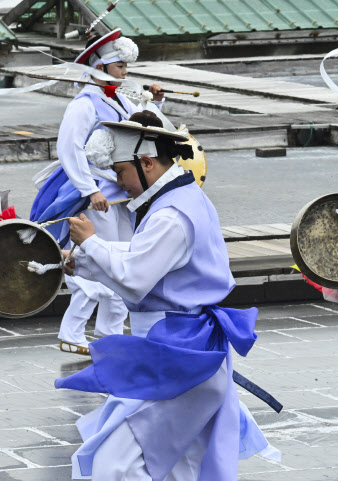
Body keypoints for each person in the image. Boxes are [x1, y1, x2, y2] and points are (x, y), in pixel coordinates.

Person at [54, 111, 279, 480]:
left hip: (175, 354)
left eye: (120, 171)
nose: (118, 182)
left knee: (113, 464)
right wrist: (79, 262)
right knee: (179, 469)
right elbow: (144, 264)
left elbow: (136, 277)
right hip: (181, 352)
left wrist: (90, 244)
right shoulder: (179, 200)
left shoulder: (172, 213)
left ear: (146, 163)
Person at [29, 29, 167, 355]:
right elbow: (70, 149)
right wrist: (89, 190)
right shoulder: (84, 103)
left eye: (125, 66)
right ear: (101, 67)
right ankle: (77, 331)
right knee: (98, 259)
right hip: (98, 194)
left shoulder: (118, 97)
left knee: (123, 259)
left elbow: (144, 127)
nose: (125, 71)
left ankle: (108, 332)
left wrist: (157, 101)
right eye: (119, 65)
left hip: (121, 192)